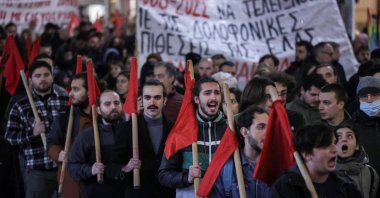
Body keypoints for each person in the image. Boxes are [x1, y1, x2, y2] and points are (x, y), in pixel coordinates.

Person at [5, 60, 69, 198]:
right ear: (30, 79)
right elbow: (10, 137)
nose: (42, 79)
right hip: (38, 171)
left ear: (52, 77)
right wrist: (31, 133)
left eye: (46, 75)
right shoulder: (21, 105)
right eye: (38, 76)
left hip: (64, 167)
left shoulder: (65, 99)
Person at [158, 77, 226, 197]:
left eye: (217, 93)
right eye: (207, 93)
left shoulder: (230, 129)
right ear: (196, 99)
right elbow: (164, 175)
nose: (213, 97)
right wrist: (187, 177)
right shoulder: (181, 131)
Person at [114, 80, 175, 197]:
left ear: (165, 100)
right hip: (138, 193)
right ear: (141, 100)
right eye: (147, 97)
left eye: (157, 97)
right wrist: (126, 167)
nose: (152, 102)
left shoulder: (174, 128)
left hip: (167, 193)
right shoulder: (126, 128)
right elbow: (112, 165)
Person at [271, 124, 363, 198]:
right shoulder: (286, 187)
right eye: (326, 145)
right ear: (306, 154)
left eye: (334, 143)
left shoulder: (345, 185)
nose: (335, 149)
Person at [67, 90, 126, 198]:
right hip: (96, 193)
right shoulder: (87, 136)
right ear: (98, 110)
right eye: (107, 104)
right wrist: (90, 170)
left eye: (116, 103)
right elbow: (72, 168)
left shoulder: (131, 132)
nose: (113, 107)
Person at [47, 72, 93, 198]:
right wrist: (58, 154)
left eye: (76, 89)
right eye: (71, 89)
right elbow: (51, 144)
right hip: (71, 185)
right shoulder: (65, 118)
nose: (70, 94)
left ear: (90, 91)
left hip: (96, 183)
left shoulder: (103, 118)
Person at [209, 105, 270, 197]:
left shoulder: (276, 166)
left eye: (269, 127)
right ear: (245, 132)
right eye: (261, 127)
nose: (268, 132)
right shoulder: (227, 169)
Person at [336, 121, 379, 198]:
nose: (344, 140)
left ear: (357, 146)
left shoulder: (370, 172)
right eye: (339, 137)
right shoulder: (326, 173)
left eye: (349, 136)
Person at [351, 76, 380, 177]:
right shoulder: (350, 128)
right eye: (364, 95)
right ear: (358, 99)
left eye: (374, 94)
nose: (369, 100)